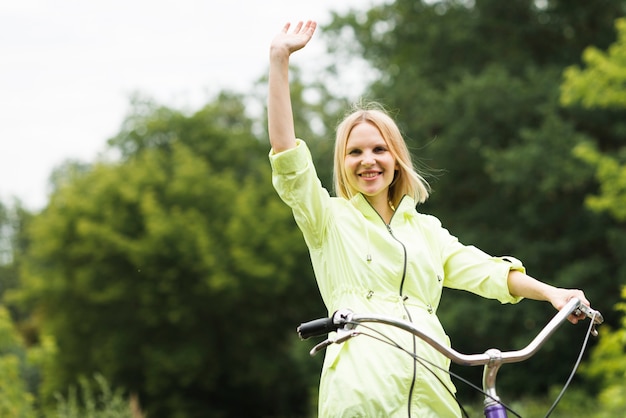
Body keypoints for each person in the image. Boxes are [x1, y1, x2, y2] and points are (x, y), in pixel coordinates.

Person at [267, 20, 592, 418]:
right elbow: (289, 160)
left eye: (378, 150)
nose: (368, 161)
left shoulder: (426, 231)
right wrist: (279, 59)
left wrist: (552, 294)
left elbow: (488, 272)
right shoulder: (327, 220)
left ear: (396, 158)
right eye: (355, 153)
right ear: (343, 162)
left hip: (433, 391)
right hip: (362, 393)